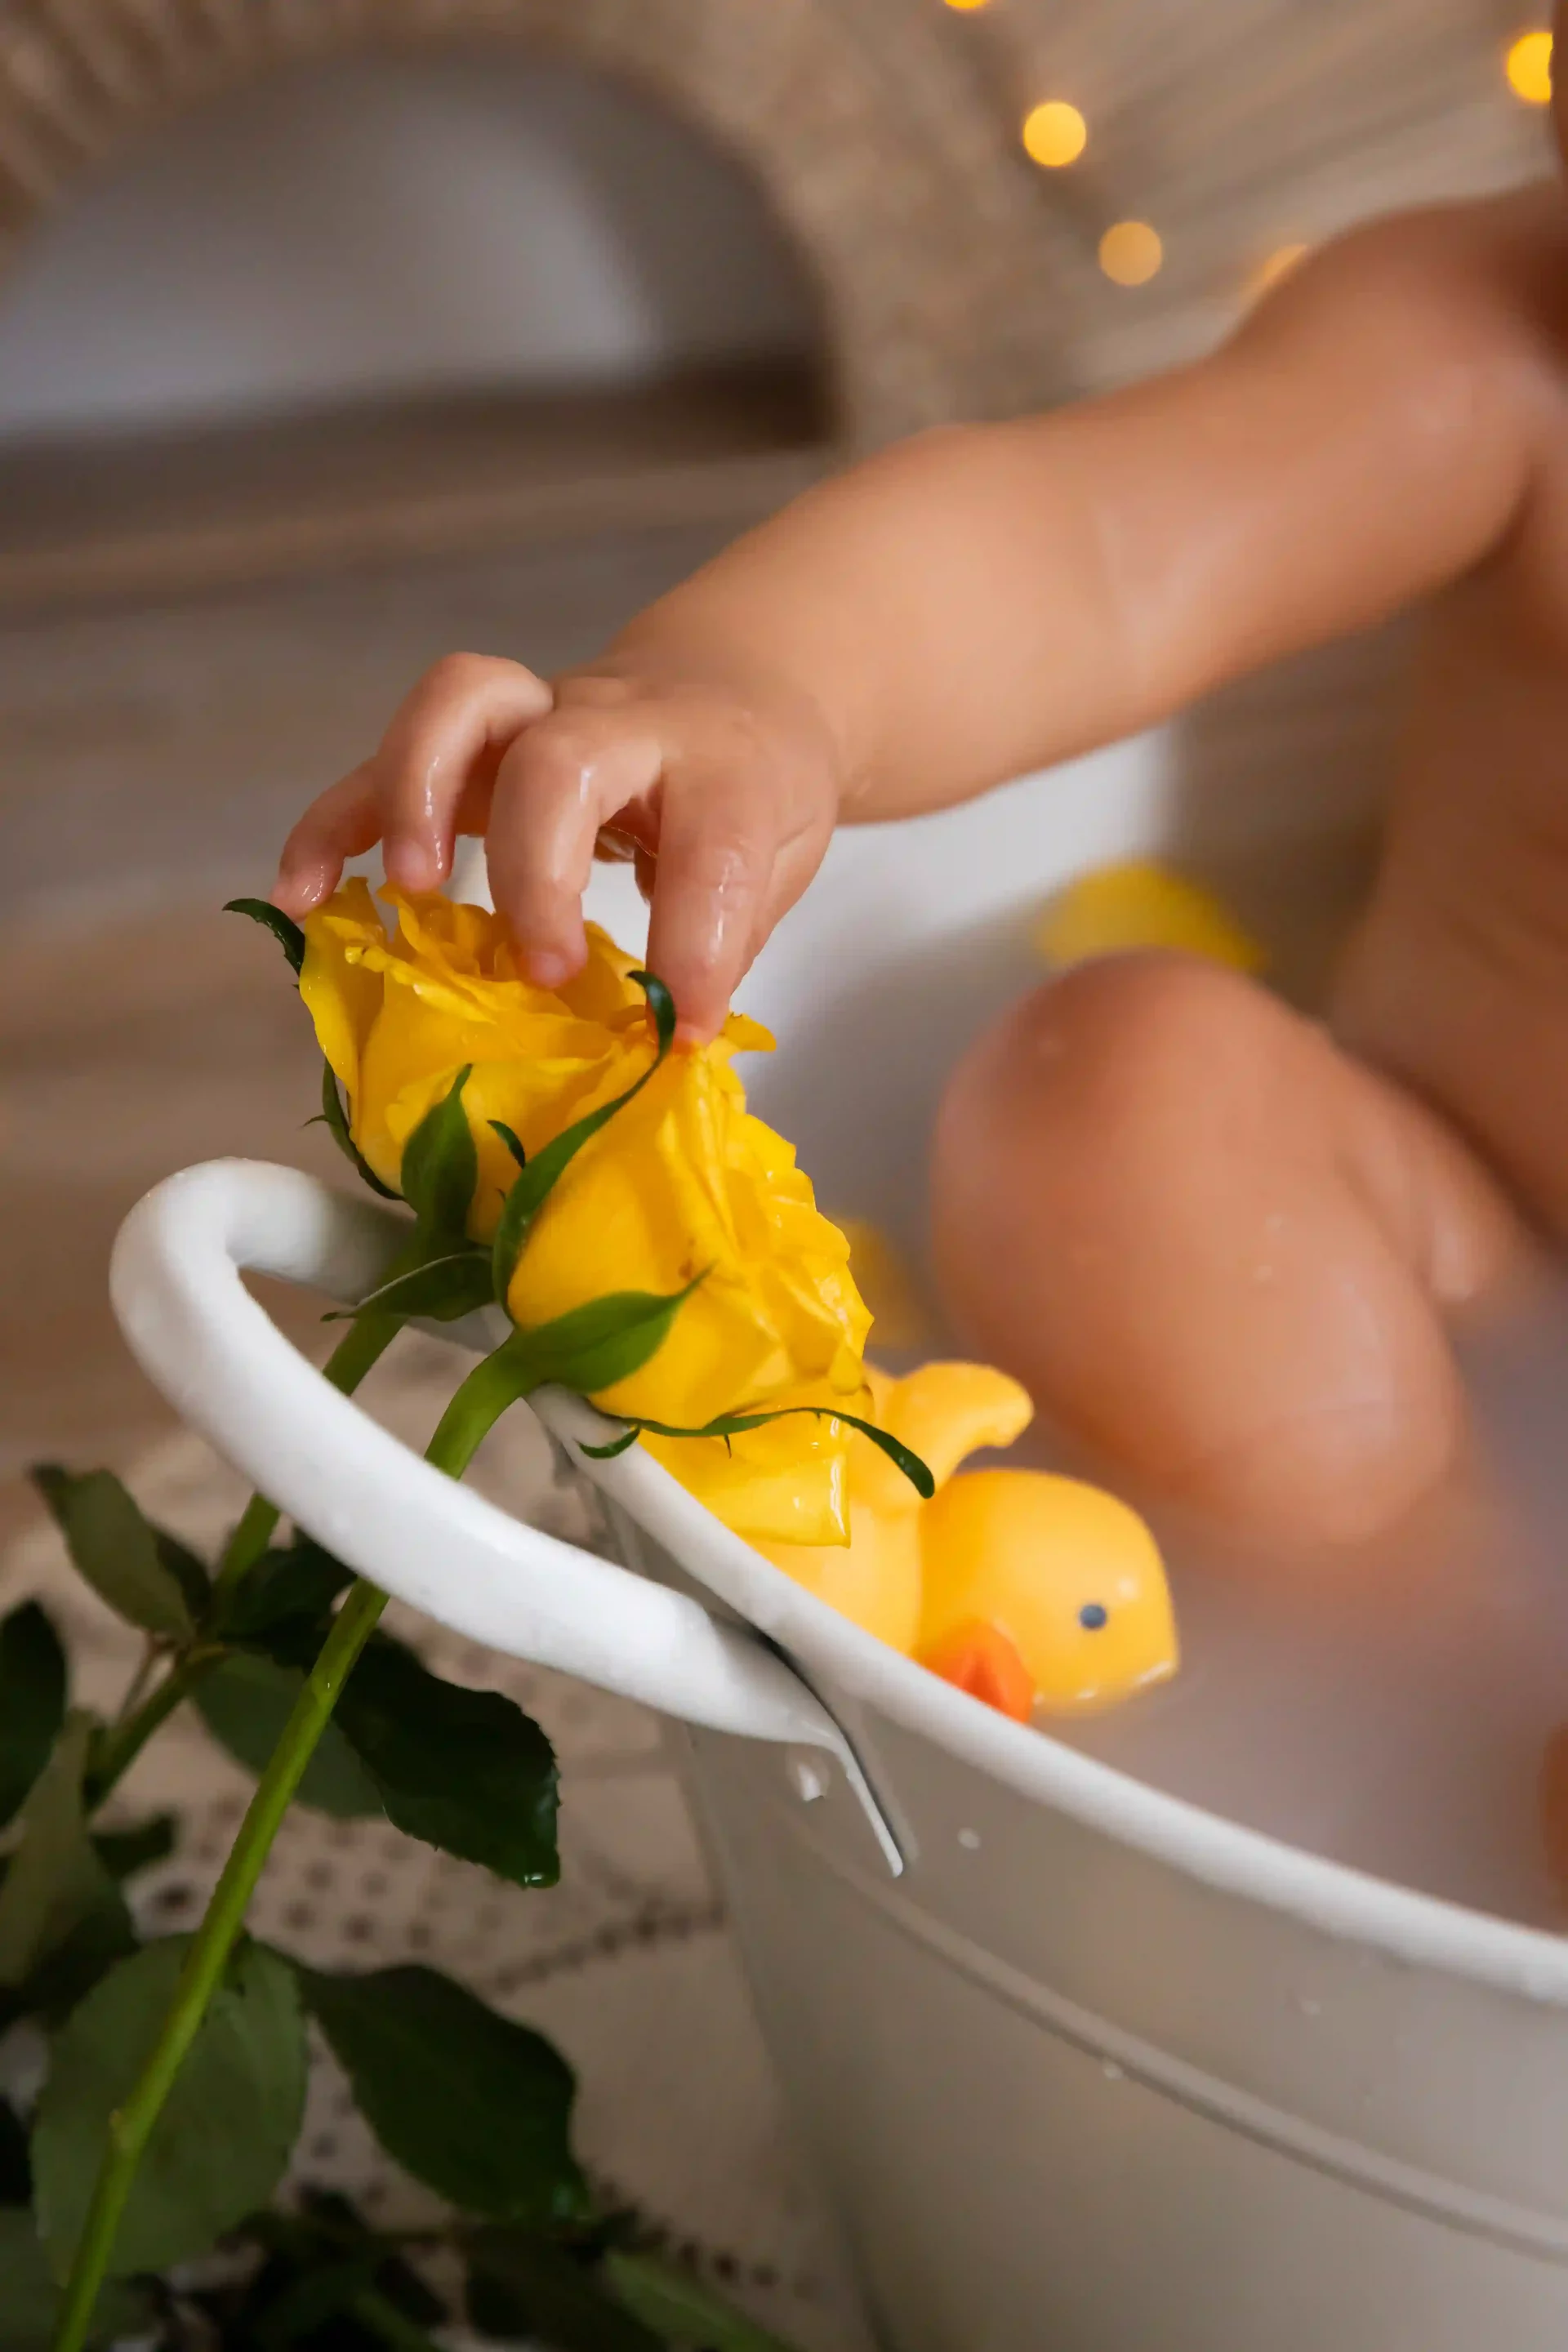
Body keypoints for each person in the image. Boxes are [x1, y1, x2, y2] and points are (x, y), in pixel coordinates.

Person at [274, 40, 1568, 1550]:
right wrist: (757, 684)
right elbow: (1095, 549)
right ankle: (1412, 1594)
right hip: (1457, 1230)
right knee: (1126, 1091)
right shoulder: (1496, 350)